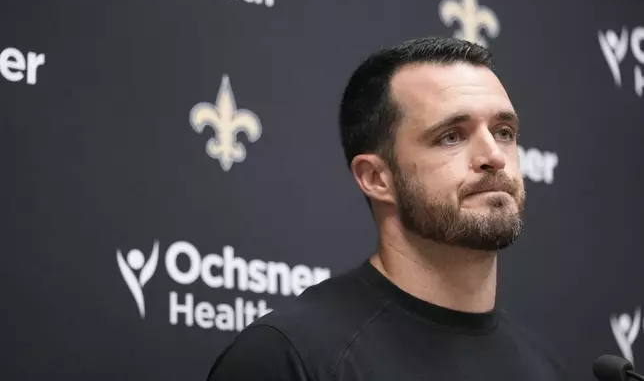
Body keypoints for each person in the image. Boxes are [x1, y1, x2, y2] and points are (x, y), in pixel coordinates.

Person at [206, 36, 565, 380]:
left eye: (504, 132)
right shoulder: (290, 357)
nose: (493, 157)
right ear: (377, 177)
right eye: (451, 136)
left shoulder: (545, 368)